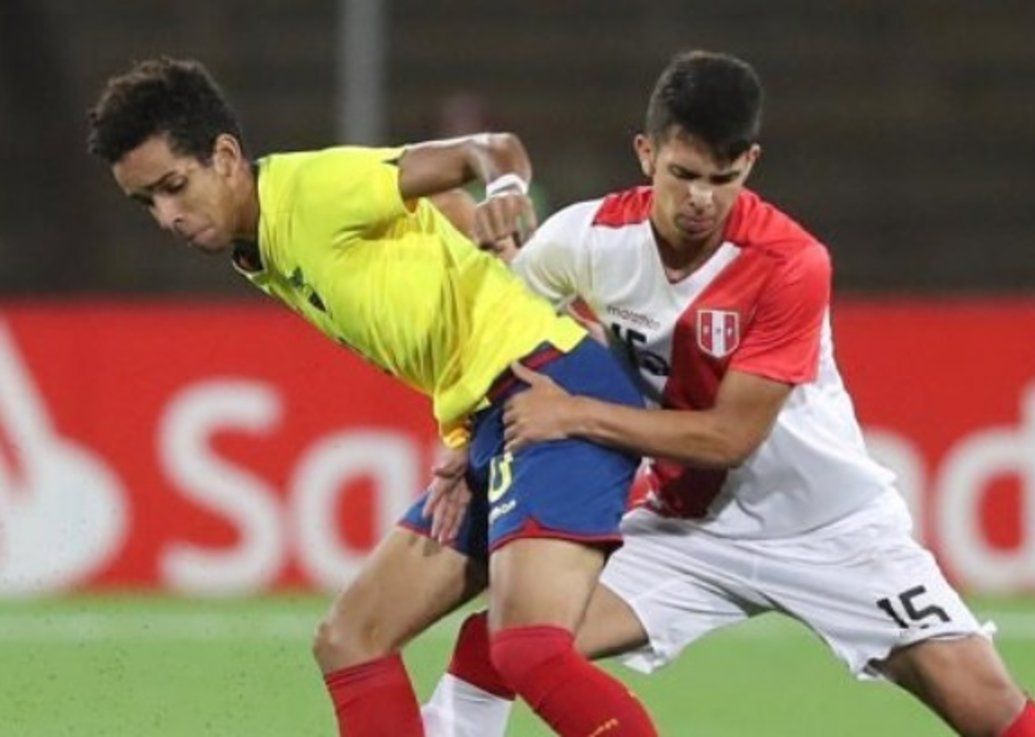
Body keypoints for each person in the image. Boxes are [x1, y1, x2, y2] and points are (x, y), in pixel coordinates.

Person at [420, 51, 1035, 737]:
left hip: (833, 528)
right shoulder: (585, 240)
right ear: (646, 154)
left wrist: (576, 414)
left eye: (722, 178)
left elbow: (729, 437)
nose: (701, 198)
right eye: (683, 174)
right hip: (690, 529)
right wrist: (461, 448)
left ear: (750, 165)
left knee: (990, 710)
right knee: (506, 644)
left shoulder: (789, 263)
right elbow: (500, 342)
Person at [86, 57, 659, 737]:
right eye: (147, 201)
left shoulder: (312, 191)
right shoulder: (258, 246)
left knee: (526, 648)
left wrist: (505, 185)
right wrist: (458, 443)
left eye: (175, 186)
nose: (167, 216)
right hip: (491, 414)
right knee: (350, 637)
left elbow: (488, 150)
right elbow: (436, 279)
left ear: (226, 155)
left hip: (549, 387)